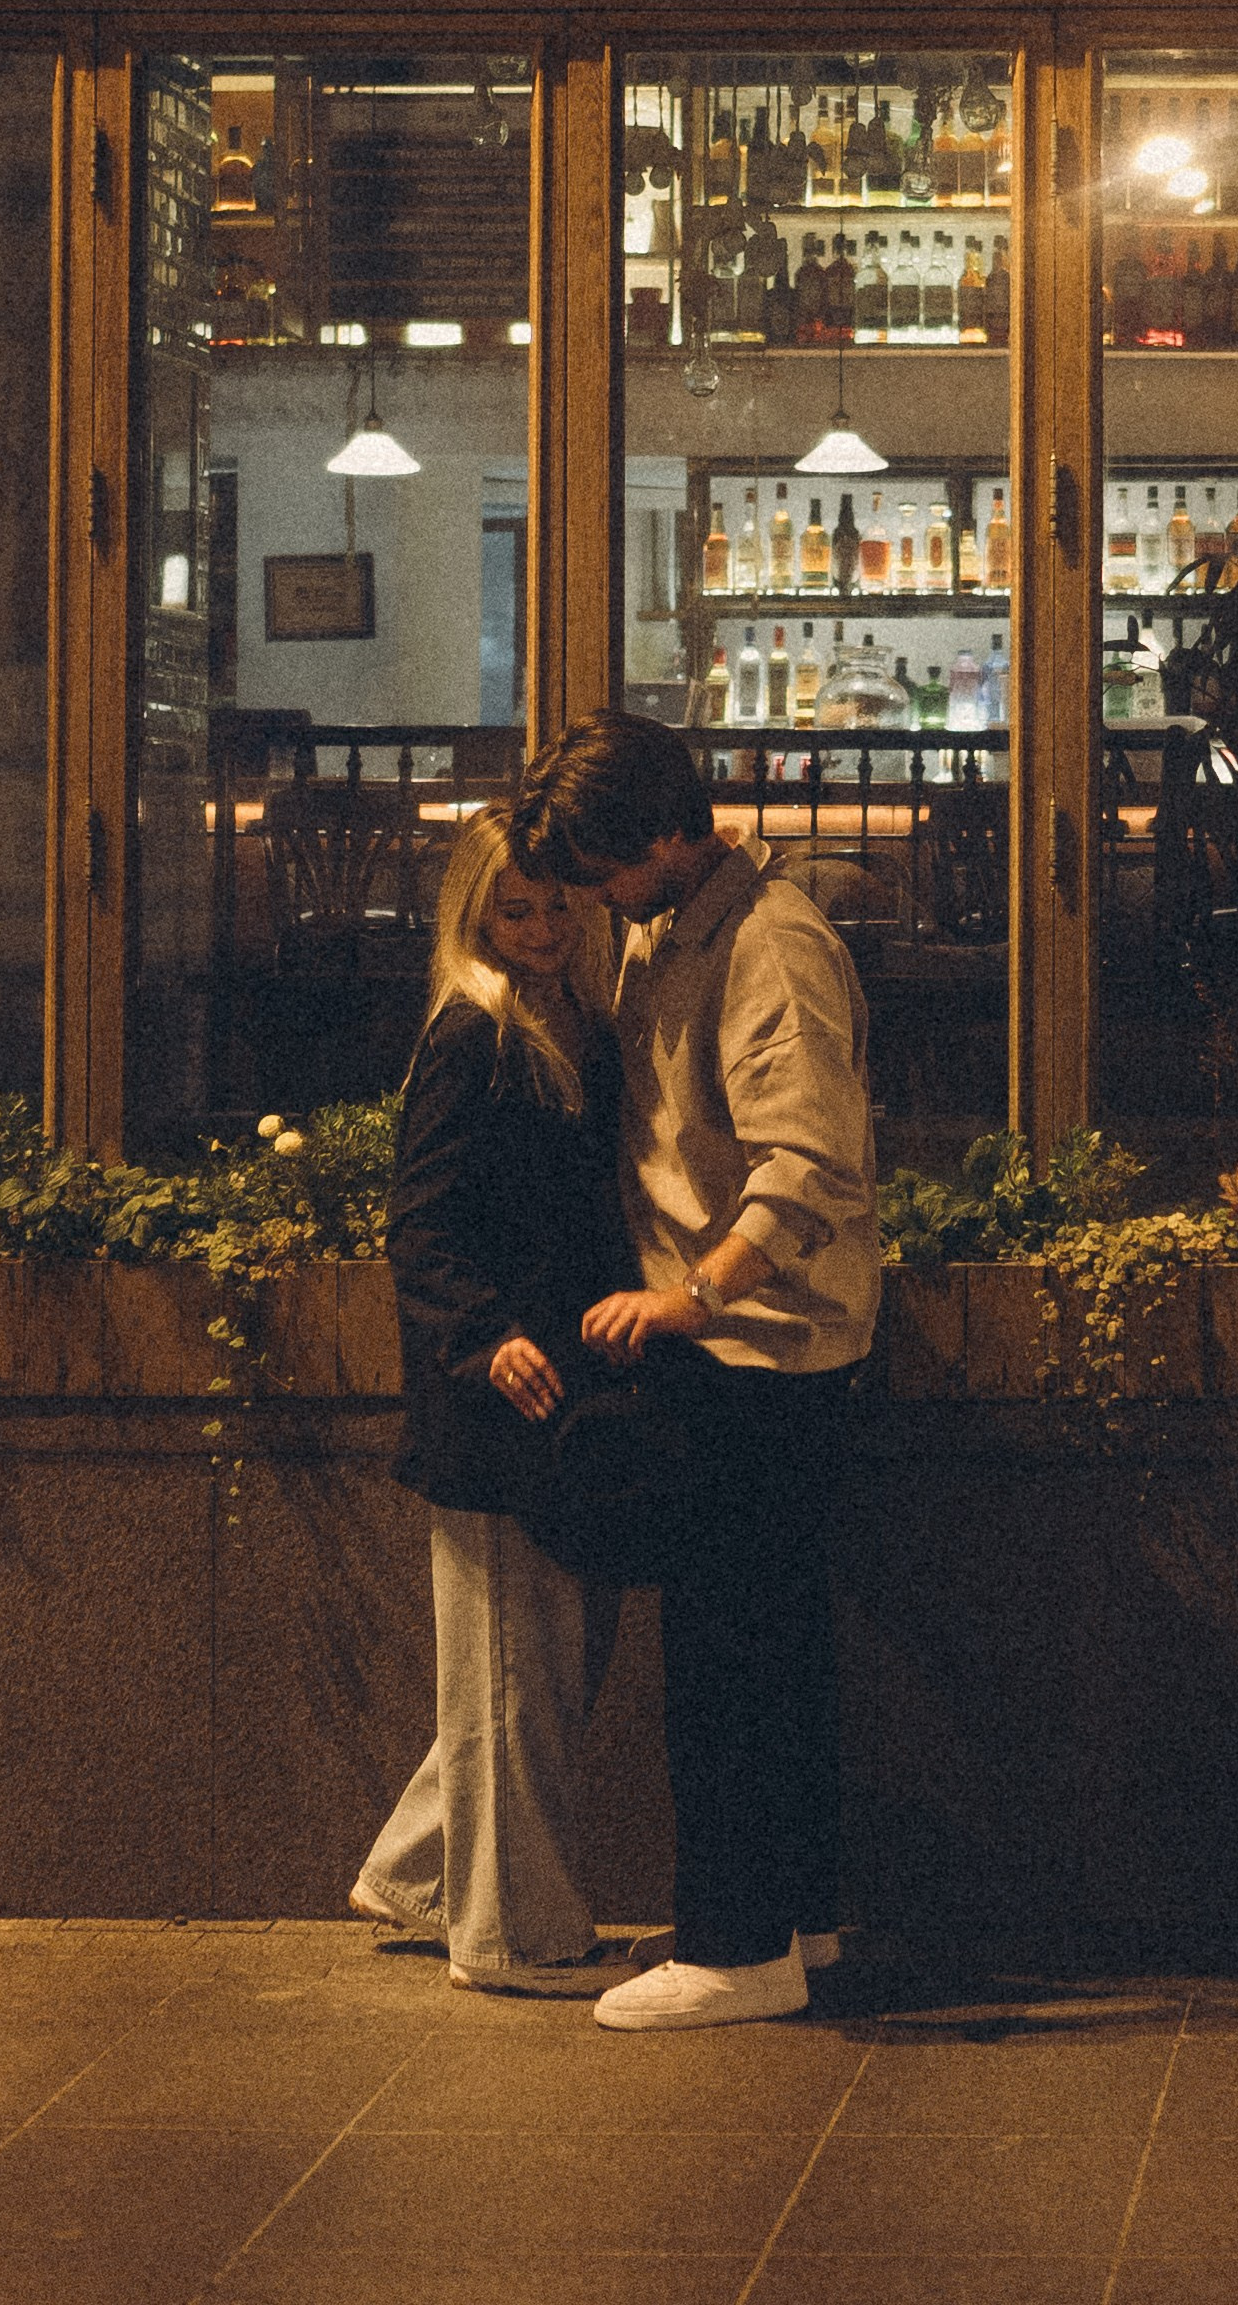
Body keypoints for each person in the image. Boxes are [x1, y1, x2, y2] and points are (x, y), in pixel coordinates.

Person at [518, 710, 880, 2032]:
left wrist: (691, 1297)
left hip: (752, 1351)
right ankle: (798, 1924)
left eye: (606, 869)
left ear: (669, 834)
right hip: (761, 1346)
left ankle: (735, 1947)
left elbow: (809, 1167)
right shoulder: (685, 931)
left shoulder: (766, 946)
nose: (597, 900)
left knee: (725, 1664)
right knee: (774, 1649)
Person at [352, 798, 634, 1993]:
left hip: (543, 1388)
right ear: (476, 912)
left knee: (527, 1662)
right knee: (518, 1666)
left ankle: (419, 1872)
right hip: (506, 1397)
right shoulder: (478, 1031)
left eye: (557, 902)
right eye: (514, 908)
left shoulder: (561, 1018)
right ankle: (511, 1934)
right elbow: (420, 1220)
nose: (542, 925)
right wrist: (486, 1336)